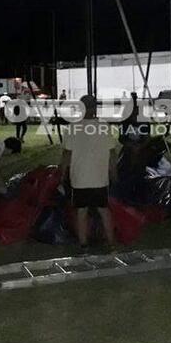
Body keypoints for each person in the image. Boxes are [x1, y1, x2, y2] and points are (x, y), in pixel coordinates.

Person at [59, 95, 118, 249]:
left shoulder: (72, 128)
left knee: (81, 212)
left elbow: (67, 155)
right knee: (103, 210)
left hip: (80, 179)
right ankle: (111, 243)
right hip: (99, 178)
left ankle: (83, 244)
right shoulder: (104, 127)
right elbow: (112, 153)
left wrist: (62, 174)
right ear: (95, 108)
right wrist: (113, 173)